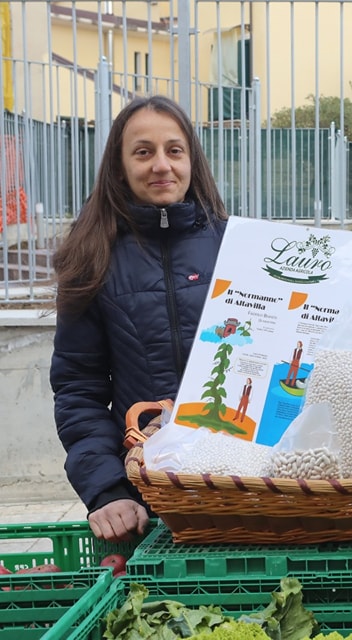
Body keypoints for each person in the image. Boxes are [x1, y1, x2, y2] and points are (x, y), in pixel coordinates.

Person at [50, 95, 228, 542]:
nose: (161, 165)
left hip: (240, 489)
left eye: (174, 150)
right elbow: (79, 389)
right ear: (120, 167)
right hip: (146, 498)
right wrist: (107, 492)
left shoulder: (236, 248)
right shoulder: (91, 258)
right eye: (143, 152)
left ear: (192, 161)